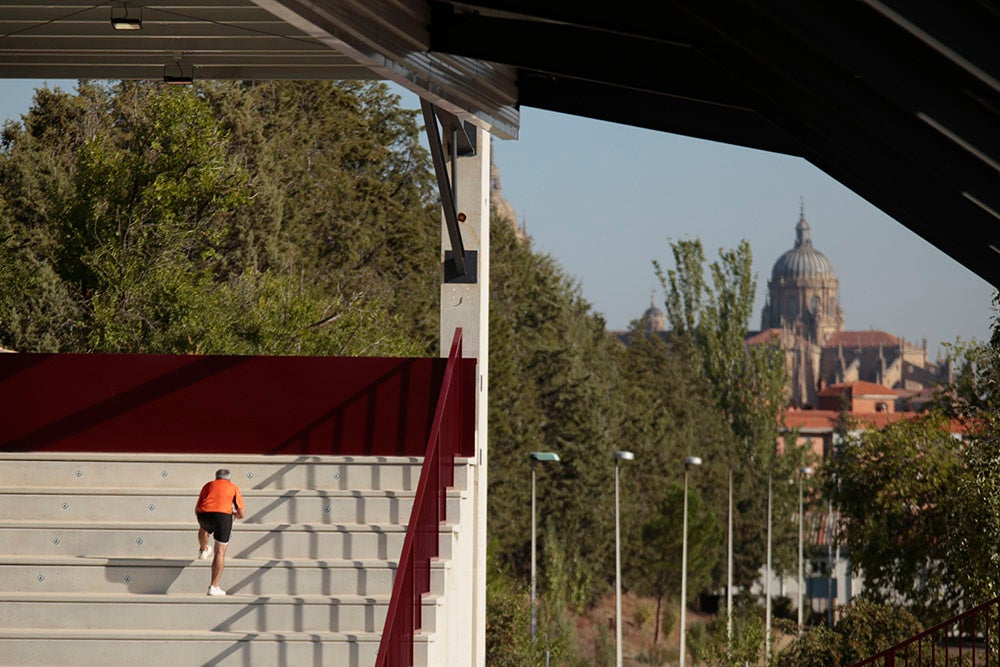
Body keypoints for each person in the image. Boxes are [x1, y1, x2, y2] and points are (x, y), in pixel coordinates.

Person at [195, 468, 246, 596]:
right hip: (223, 516)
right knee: (219, 552)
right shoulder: (233, 487)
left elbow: (197, 508)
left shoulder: (208, 485)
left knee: (204, 528)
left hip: (203, 514)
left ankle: (203, 550)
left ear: (216, 478)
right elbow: (241, 513)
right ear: (229, 479)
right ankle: (213, 586)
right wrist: (233, 515)